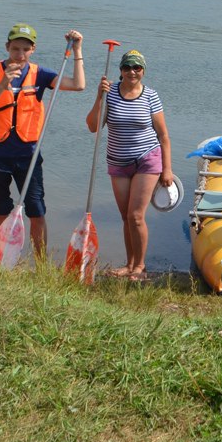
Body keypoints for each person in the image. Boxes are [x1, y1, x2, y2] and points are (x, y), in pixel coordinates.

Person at [0, 24, 85, 260]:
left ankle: (41, 263)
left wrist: (77, 50)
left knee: (36, 209)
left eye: (25, 49)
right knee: (0, 208)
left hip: (28, 154)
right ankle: (1, 259)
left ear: (33, 49)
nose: (19, 54)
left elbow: (78, 85)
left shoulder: (40, 74)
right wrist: (2, 85)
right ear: (7, 47)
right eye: (15, 49)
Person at [86, 49, 175, 279]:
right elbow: (93, 126)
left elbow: (163, 136)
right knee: (126, 216)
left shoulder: (150, 96)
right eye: (127, 67)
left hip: (147, 159)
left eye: (137, 68)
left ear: (143, 71)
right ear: (121, 71)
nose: (132, 72)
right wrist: (98, 96)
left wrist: (167, 169)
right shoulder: (110, 94)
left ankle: (140, 267)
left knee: (136, 216)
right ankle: (129, 263)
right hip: (118, 162)